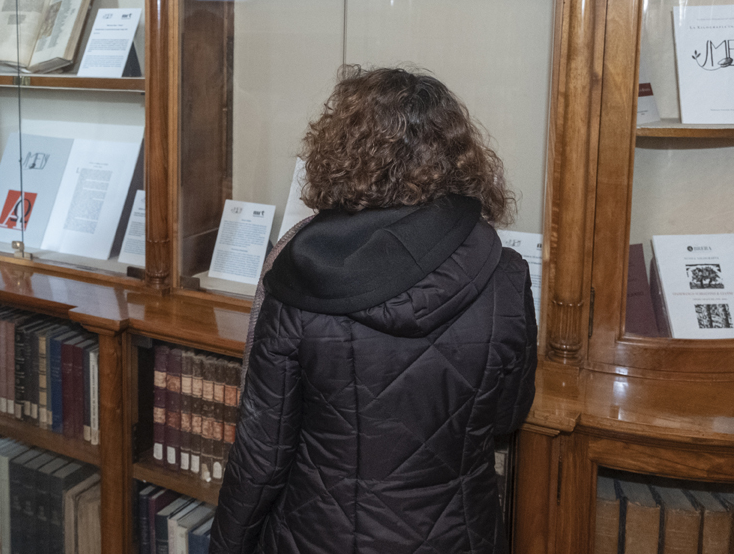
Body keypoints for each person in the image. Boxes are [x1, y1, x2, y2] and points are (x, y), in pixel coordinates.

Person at [211, 66, 538, 554]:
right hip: (460, 535)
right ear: (459, 155)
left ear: (339, 151)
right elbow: (507, 416)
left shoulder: (299, 274)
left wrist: (227, 545)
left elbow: (263, 454)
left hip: (317, 535)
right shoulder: (506, 273)